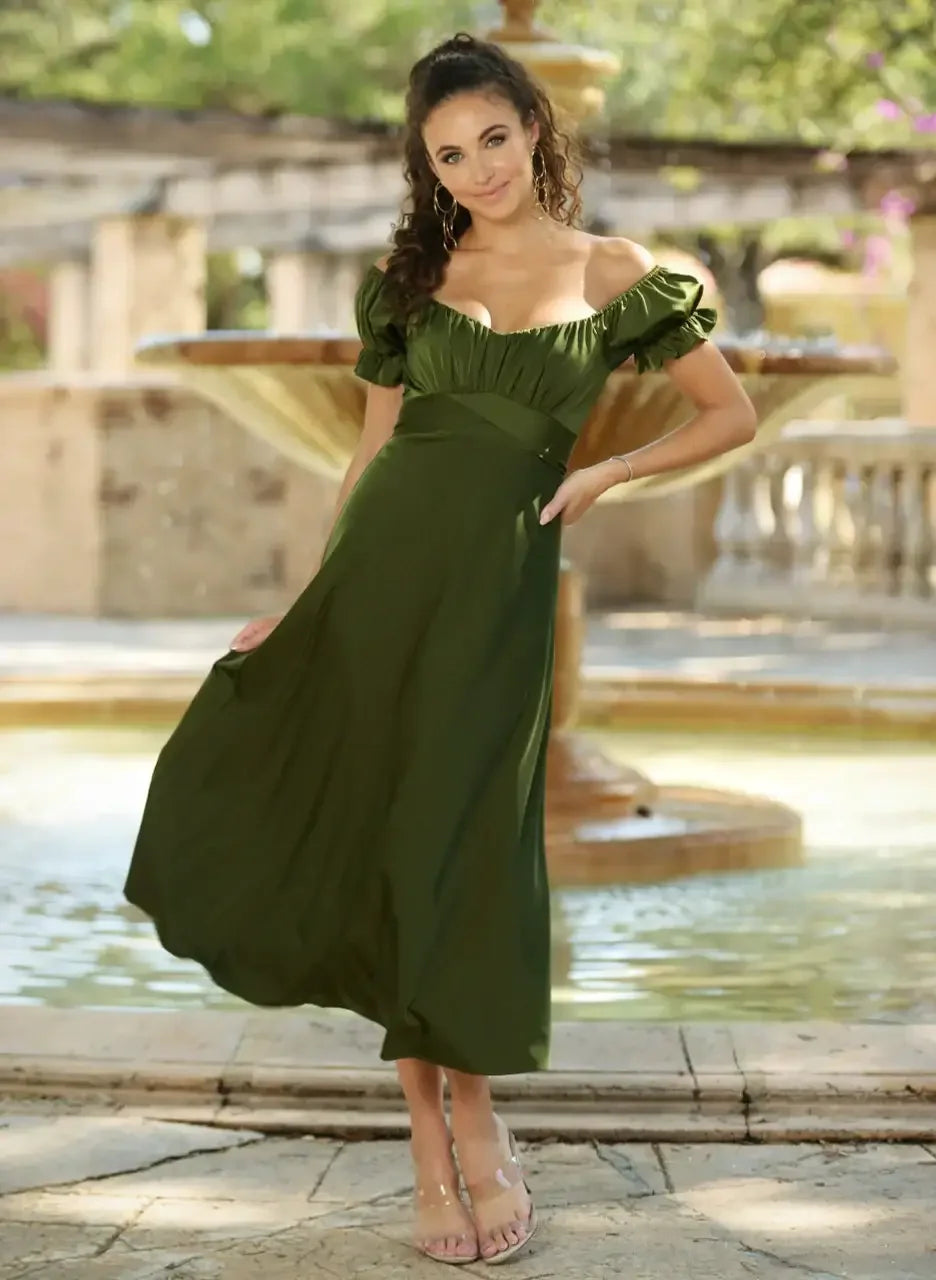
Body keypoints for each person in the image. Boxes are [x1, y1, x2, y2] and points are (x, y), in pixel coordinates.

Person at [124, 30, 756, 1268]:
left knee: (462, 845)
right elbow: (368, 458)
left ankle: (481, 1106)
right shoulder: (410, 279)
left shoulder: (618, 268)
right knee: (389, 837)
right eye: (448, 155)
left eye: (493, 140)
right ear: (428, 166)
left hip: (499, 590)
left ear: (535, 126)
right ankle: (433, 1134)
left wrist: (606, 473)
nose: (475, 171)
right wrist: (307, 598)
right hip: (381, 584)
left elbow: (725, 410)